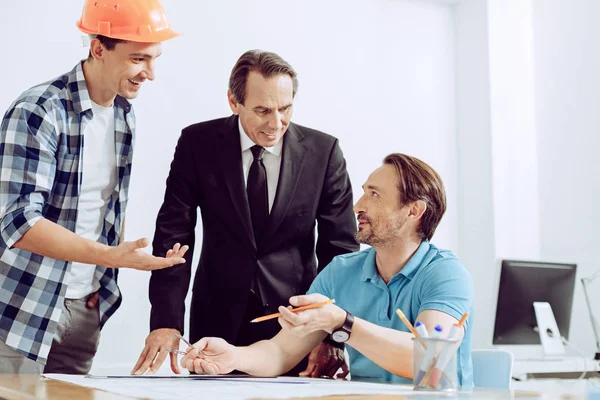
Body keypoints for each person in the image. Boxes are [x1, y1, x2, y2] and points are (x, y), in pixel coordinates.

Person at [132, 50, 359, 376]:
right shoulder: (198, 144)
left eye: (285, 109)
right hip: (215, 320)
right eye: (263, 110)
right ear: (233, 102)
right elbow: (174, 235)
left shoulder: (324, 153)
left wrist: (330, 333)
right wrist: (166, 322)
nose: (276, 123)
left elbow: (340, 253)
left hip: (295, 327)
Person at [0, 0, 185, 375]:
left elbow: (102, 206)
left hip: (85, 309)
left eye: (154, 58)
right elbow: (17, 221)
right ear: (98, 48)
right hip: (22, 309)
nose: (149, 73)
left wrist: (100, 284)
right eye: (138, 59)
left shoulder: (123, 113)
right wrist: (111, 257)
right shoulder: (39, 111)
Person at [179, 153, 475, 386]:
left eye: (375, 195)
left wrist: (342, 323)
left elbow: (427, 358)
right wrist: (234, 356)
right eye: (363, 193)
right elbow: (281, 352)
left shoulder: (446, 274)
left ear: (414, 211)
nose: (357, 206)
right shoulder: (340, 272)